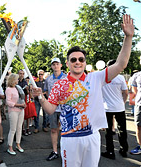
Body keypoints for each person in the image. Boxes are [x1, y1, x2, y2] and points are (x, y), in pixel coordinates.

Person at [32, 14, 134, 167]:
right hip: (69, 138)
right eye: (73, 59)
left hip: (92, 137)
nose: (77, 62)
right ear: (67, 63)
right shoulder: (60, 84)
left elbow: (121, 64)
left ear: (85, 62)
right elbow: (50, 109)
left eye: (81, 59)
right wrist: (41, 97)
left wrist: (128, 37)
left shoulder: (96, 78)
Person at [101, 59, 129, 159]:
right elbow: (125, 92)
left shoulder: (103, 78)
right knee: (122, 130)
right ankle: (123, 150)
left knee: (108, 132)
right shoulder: (120, 78)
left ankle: (110, 152)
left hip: (107, 108)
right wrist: (123, 102)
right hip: (119, 107)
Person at [44, 58, 67, 161]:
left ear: (61, 65)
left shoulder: (67, 77)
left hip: (65, 109)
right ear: (52, 66)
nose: (55, 66)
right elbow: (46, 92)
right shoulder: (48, 79)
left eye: (57, 64)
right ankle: (55, 151)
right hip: (53, 109)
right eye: (53, 64)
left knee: (66, 130)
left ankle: (65, 151)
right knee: (54, 129)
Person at [6, 73, 25, 155]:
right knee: (13, 129)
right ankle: (10, 147)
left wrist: (23, 104)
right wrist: (20, 105)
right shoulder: (8, 89)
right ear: (13, 80)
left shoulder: (18, 87)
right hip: (13, 110)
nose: (18, 80)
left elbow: (22, 97)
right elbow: (8, 102)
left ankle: (18, 144)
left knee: (19, 128)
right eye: (16, 79)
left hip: (21, 110)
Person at [130, 71, 141, 154]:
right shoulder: (136, 75)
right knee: (139, 126)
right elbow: (135, 90)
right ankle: (140, 146)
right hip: (139, 104)